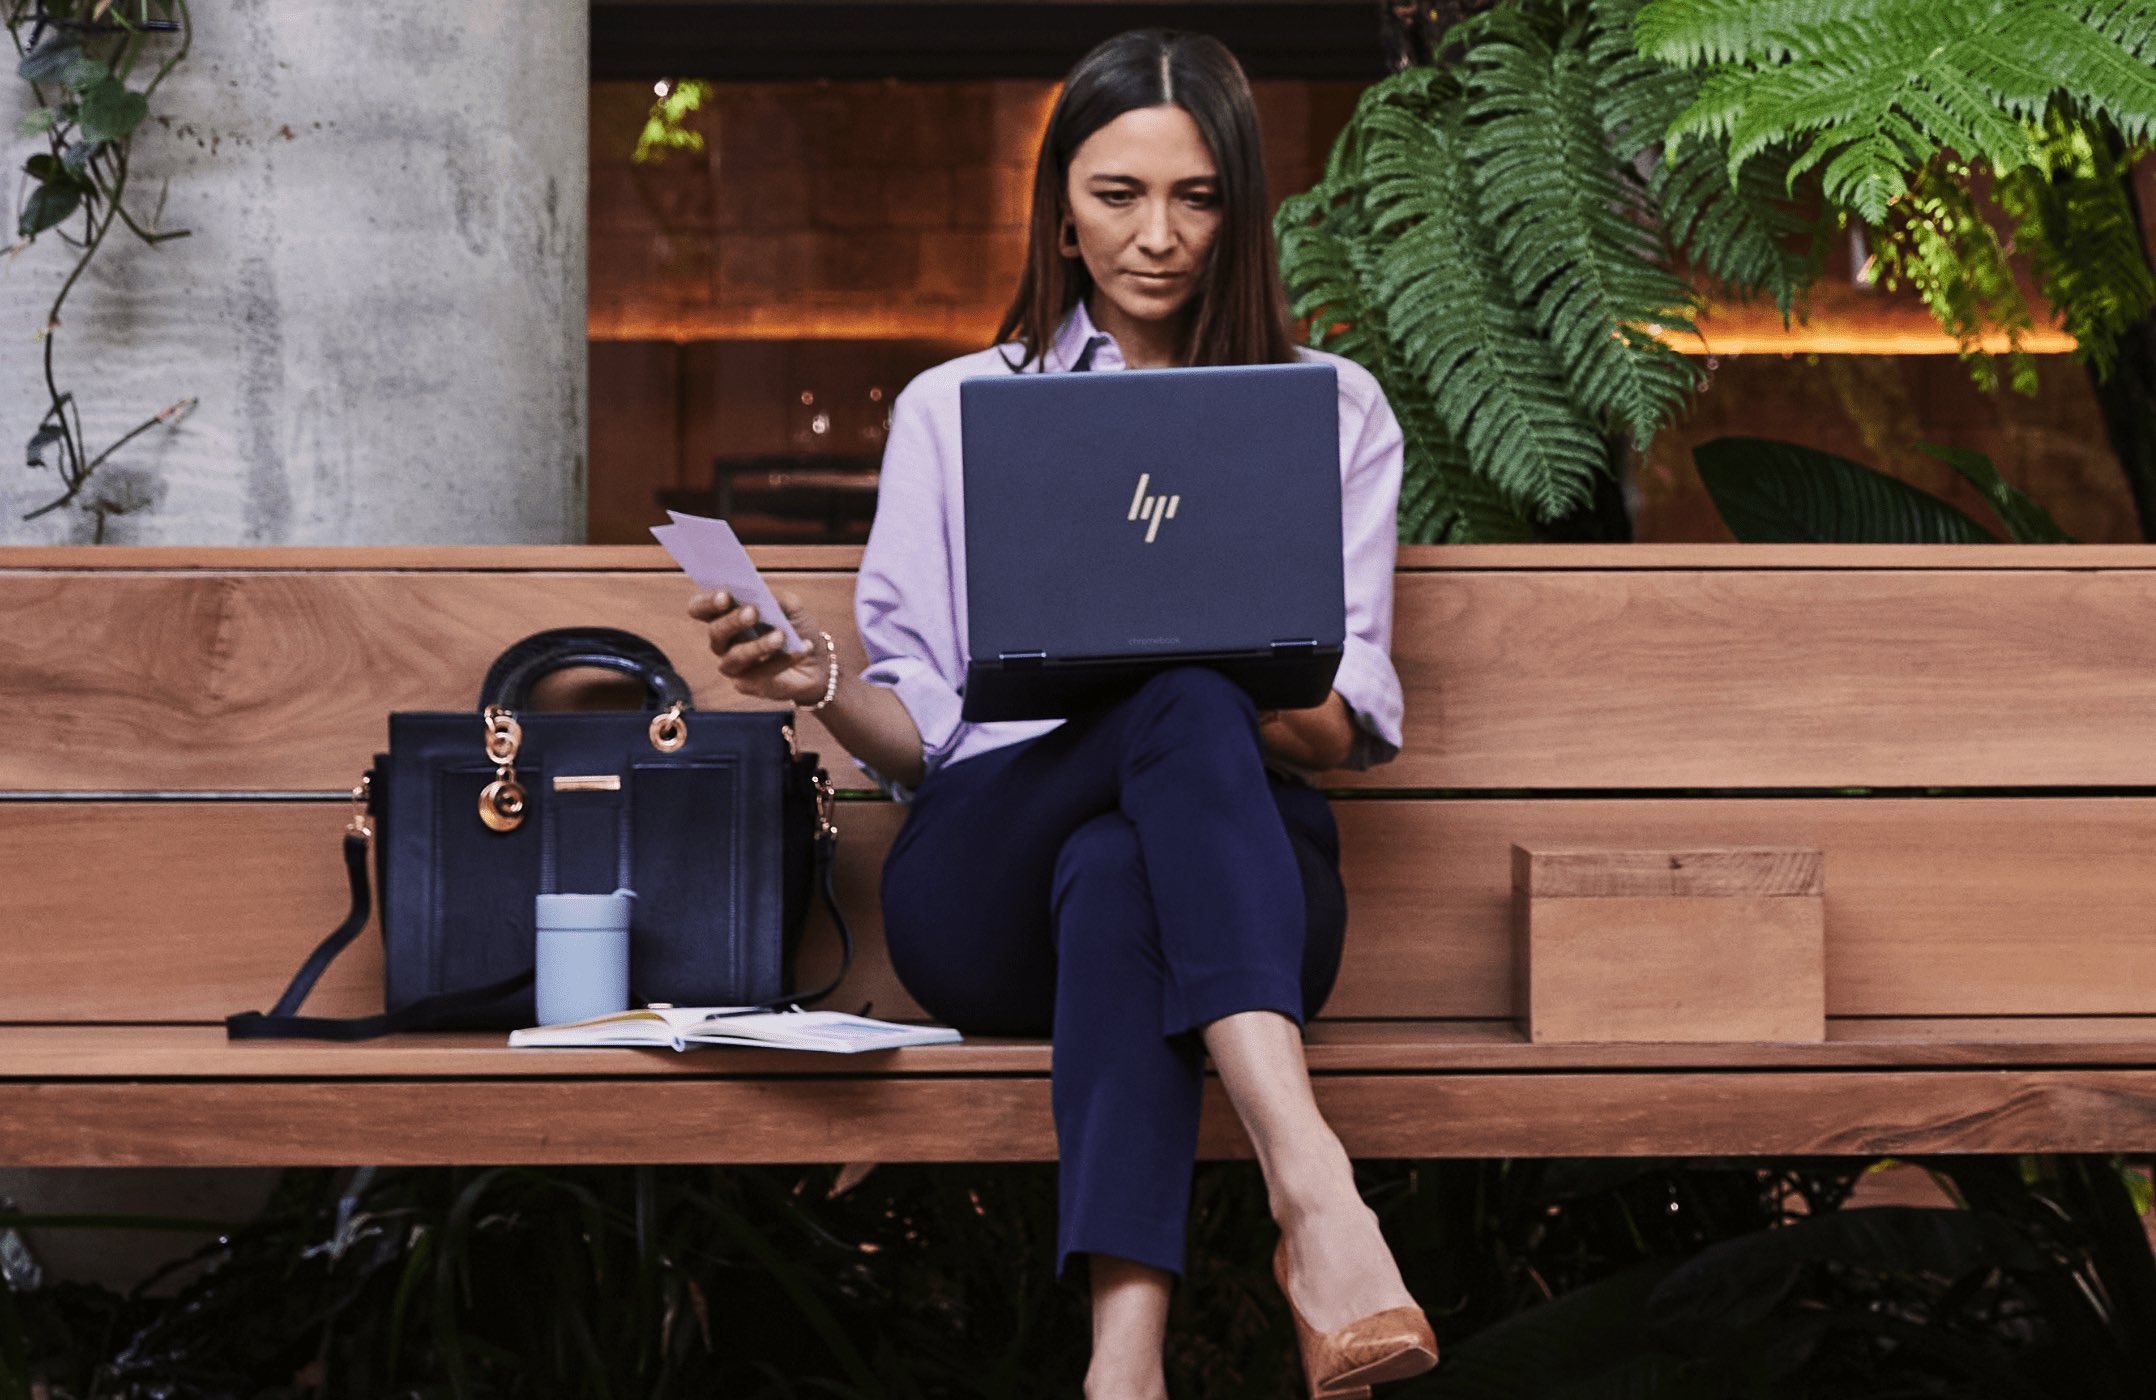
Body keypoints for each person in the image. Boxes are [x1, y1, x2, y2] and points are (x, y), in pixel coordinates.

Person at [688, 29, 1432, 1400]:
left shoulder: (1333, 414)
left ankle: (1122, 1365)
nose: (1158, 236)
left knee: (1141, 819)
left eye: (1196, 197)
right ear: (1060, 207)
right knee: (1159, 716)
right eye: (1117, 194)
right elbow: (922, 736)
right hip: (987, 887)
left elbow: (1345, 728)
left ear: (1241, 209)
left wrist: (1206, 660)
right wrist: (822, 687)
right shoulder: (957, 408)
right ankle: (1316, 1192)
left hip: (1244, 887)